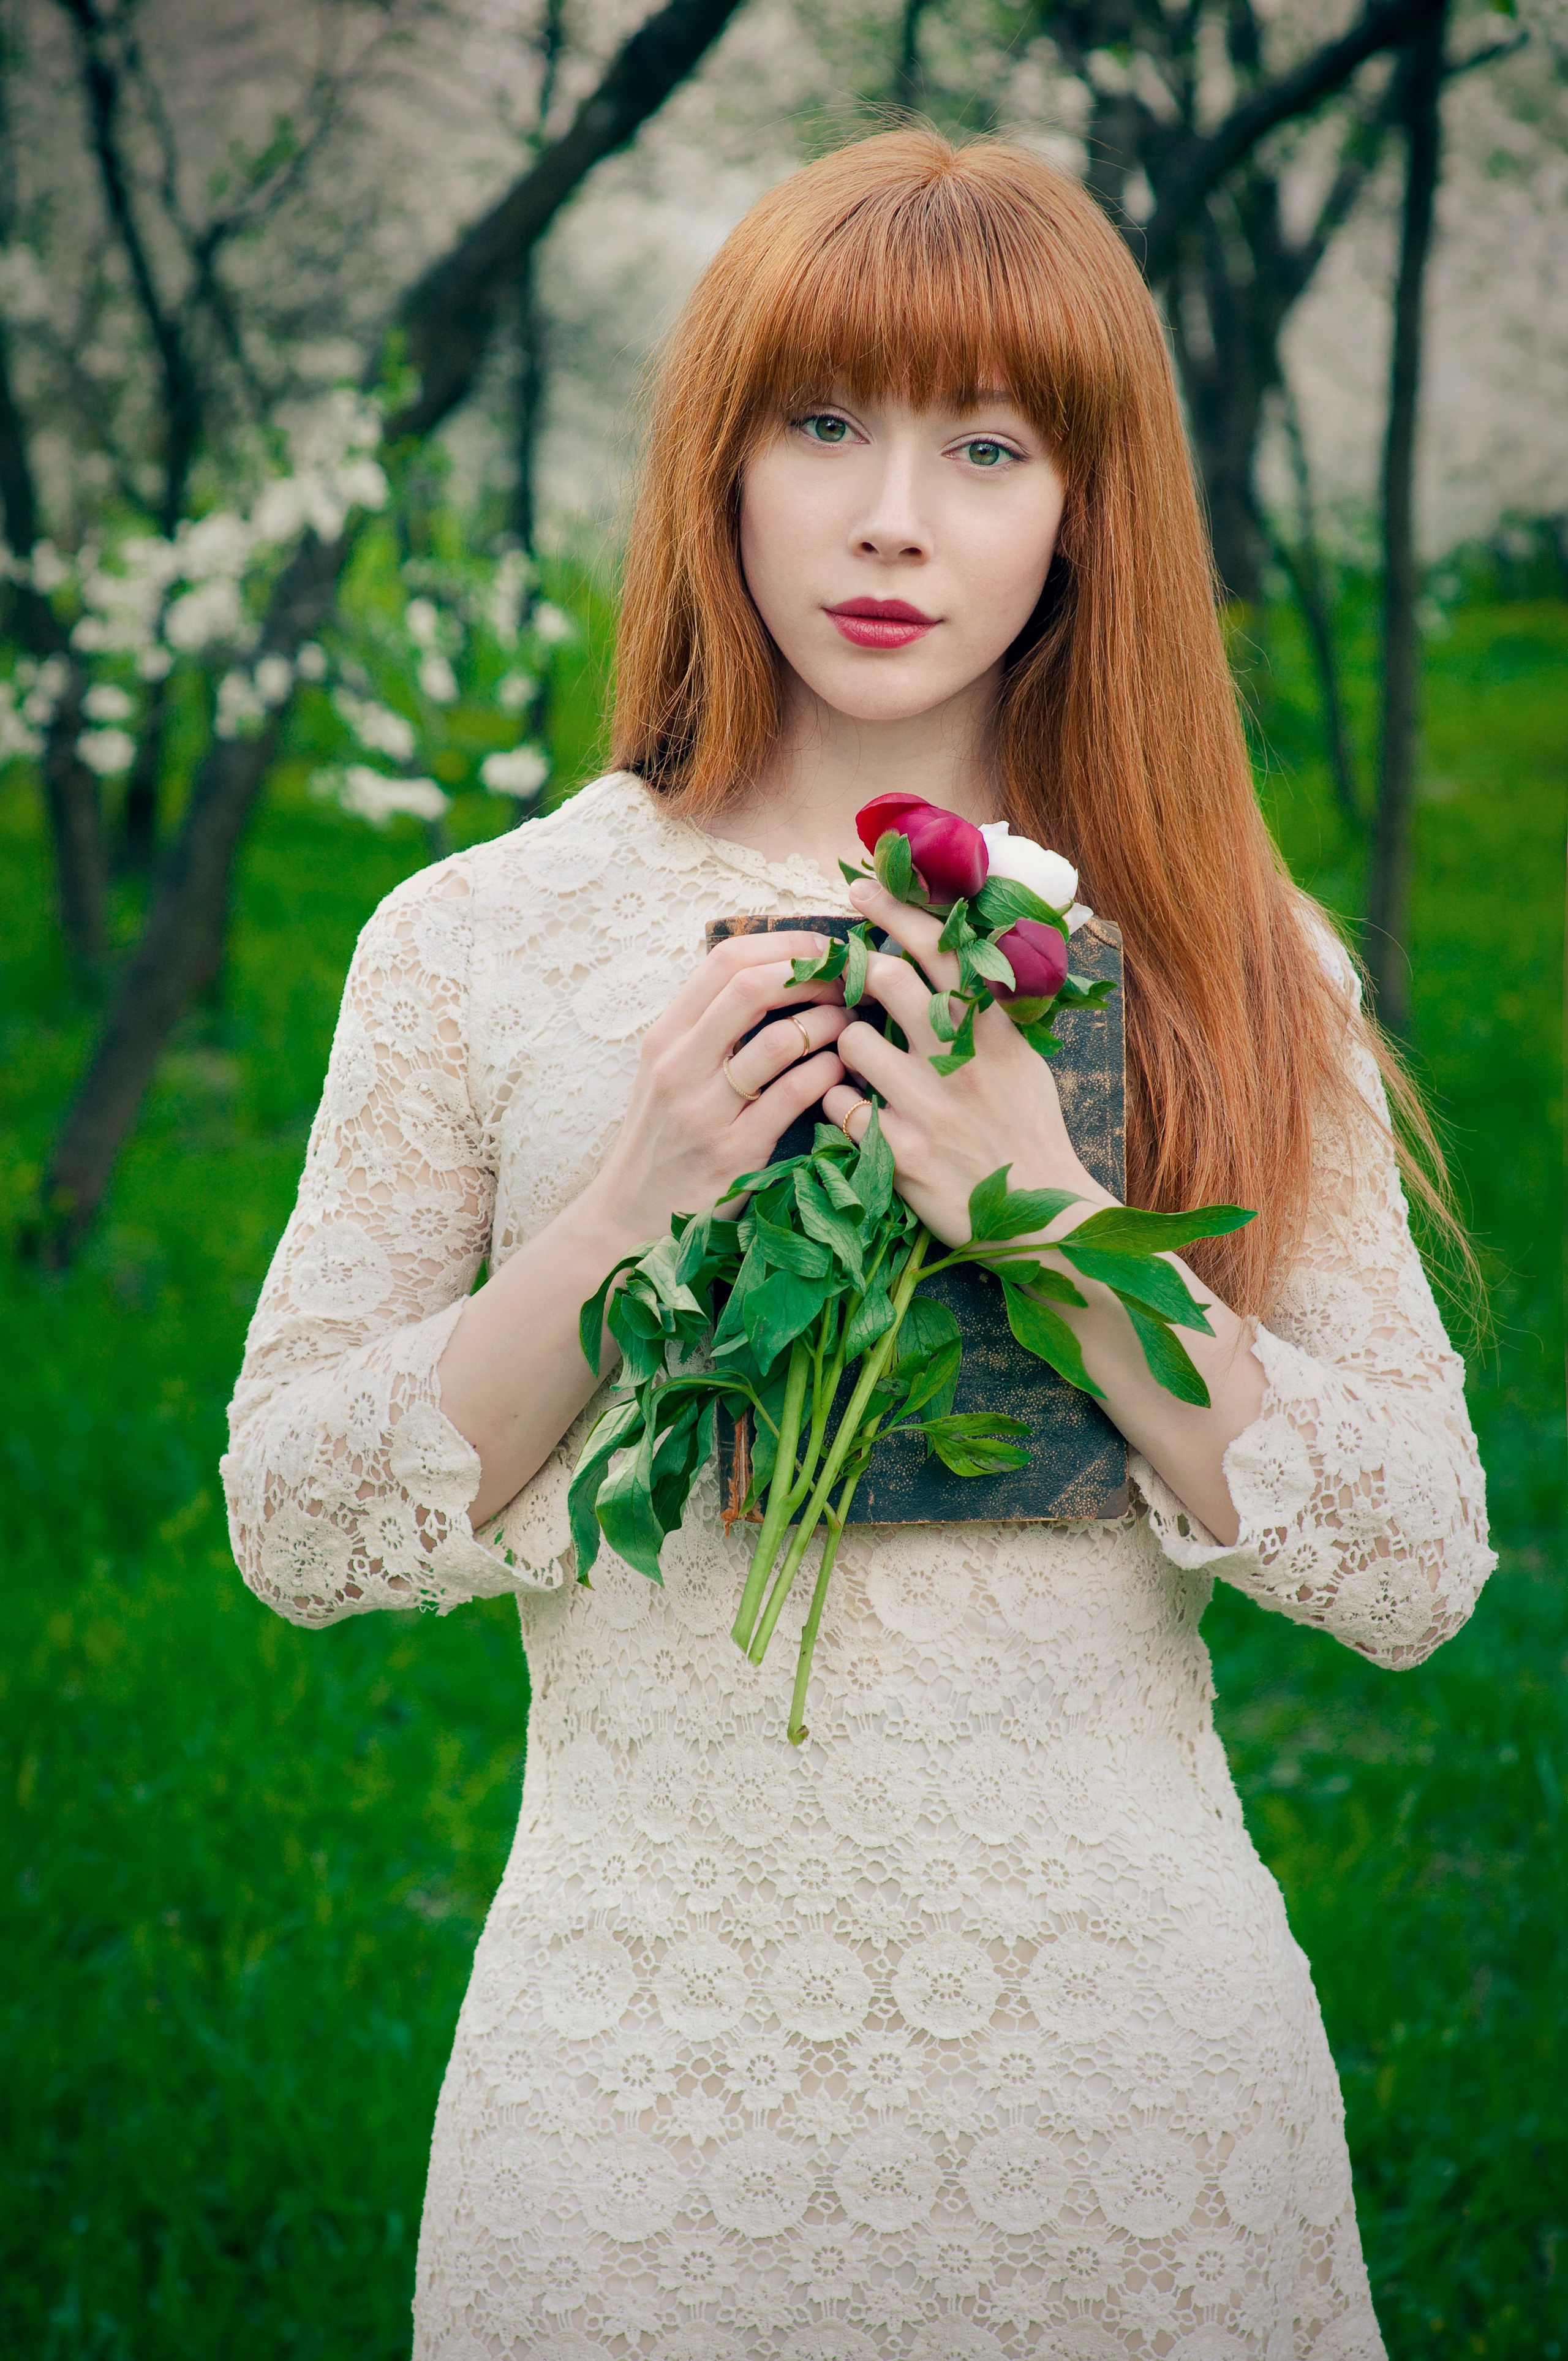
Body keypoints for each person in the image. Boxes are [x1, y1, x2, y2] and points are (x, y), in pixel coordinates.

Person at [222, 130, 1494, 2361]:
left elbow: (1412, 1564)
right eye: (825, 425)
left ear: (1084, 509)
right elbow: (296, 1520)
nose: (893, 514)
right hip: (639, 2099)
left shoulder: (1220, 952)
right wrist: (631, 1215)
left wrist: (1066, 1227)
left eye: (985, 446)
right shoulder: (481, 943)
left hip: (1125, 2093)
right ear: (722, 460)